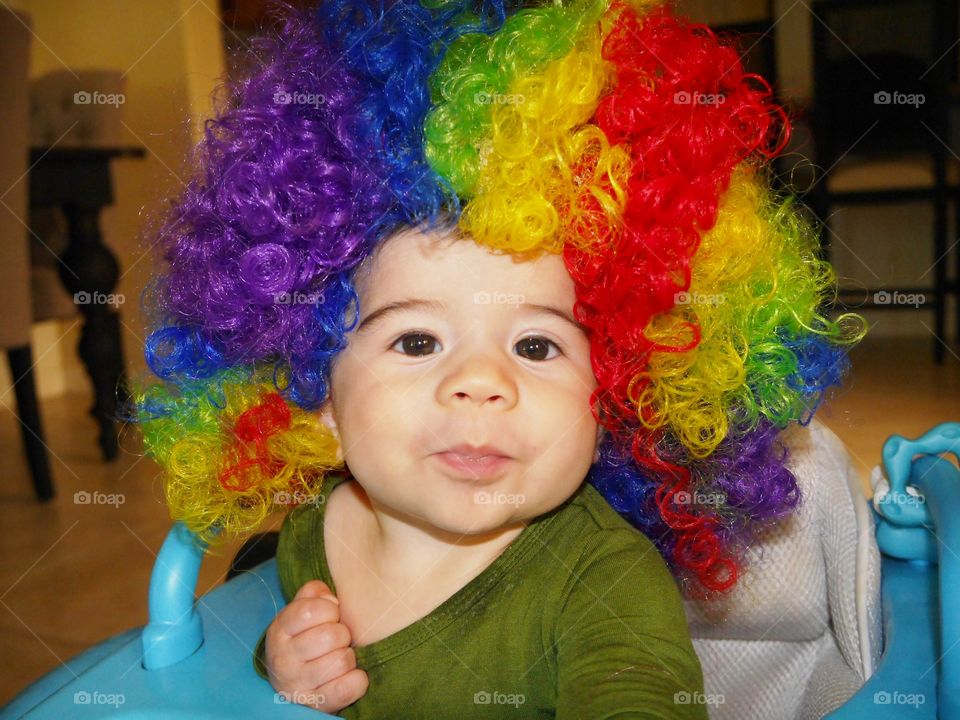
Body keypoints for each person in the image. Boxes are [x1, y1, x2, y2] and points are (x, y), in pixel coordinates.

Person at [131, 0, 865, 716]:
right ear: (318, 398)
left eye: (535, 346)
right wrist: (285, 661)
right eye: (417, 341)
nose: (482, 381)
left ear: (620, 395)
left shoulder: (606, 583)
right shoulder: (308, 532)